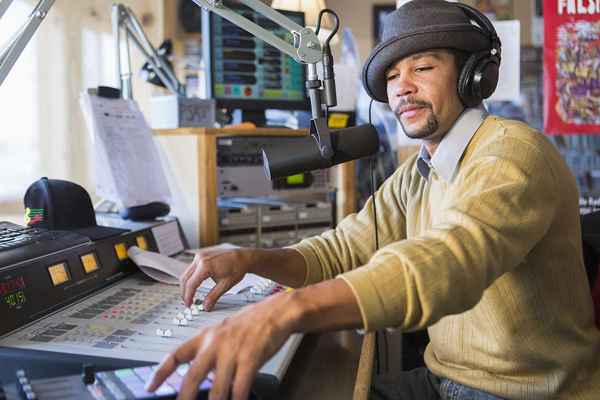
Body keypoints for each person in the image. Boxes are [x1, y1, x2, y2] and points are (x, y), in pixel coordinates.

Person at [146, 1, 600, 399]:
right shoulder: (416, 175)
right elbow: (342, 250)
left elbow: (448, 262)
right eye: (392, 76)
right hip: (443, 383)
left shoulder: (512, 154)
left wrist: (285, 311)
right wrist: (250, 258)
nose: (401, 87)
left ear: (471, 76)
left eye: (421, 68)